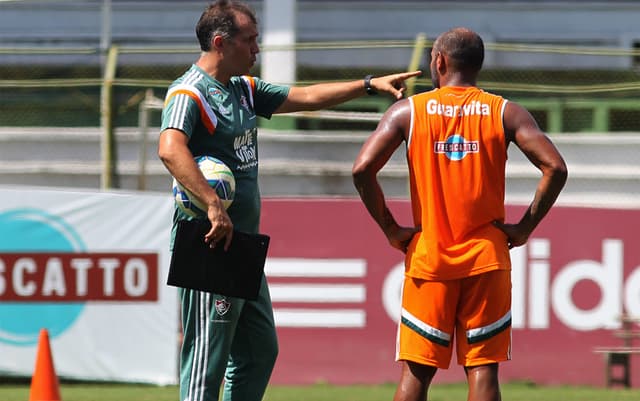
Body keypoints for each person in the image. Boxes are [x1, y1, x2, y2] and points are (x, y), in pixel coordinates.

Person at [157, 1, 420, 400]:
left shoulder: (242, 89)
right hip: (209, 244)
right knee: (205, 365)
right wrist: (212, 203)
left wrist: (367, 85)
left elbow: (308, 95)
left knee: (260, 351)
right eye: (250, 40)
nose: (257, 49)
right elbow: (169, 148)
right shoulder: (188, 92)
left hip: (241, 243)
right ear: (220, 43)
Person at [352, 27, 567, 401]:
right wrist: (524, 227)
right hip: (487, 259)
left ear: (439, 61)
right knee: (483, 371)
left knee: (416, 374)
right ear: (478, 66)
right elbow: (556, 167)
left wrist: (390, 228)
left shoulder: (409, 111)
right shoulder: (505, 112)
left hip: (429, 260)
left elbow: (362, 169)